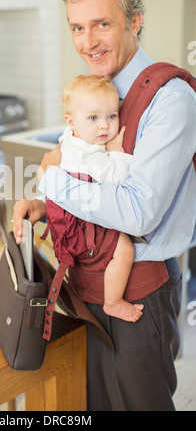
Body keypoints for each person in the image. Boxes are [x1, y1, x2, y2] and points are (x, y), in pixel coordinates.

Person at [13, 0, 196, 411]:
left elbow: (137, 212)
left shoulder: (171, 99)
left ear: (134, 21)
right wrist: (44, 203)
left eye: (102, 24)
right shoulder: (96, 93)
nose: (88, 41)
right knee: (93, 402)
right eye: (77, 27)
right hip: (88, 284)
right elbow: (86, 175)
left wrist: (51, 178)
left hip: (139, 291)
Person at [51, 73, 143, 322]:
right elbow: (117, 180)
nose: (104, 126)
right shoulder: (93, 155)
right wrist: (117, 152)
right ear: (71, 121)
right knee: (124, 251)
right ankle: (113, 302)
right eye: (93, 118)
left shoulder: (70, 138)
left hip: (71, 220)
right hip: (86, 222)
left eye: (111, 116)